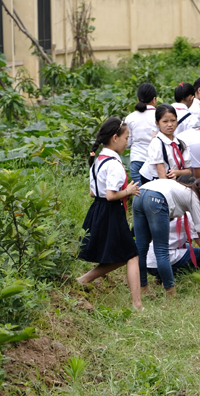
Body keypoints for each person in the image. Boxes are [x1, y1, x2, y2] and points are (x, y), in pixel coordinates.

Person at [76, 118, 143, 311]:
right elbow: (111, 195)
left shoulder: (98, 160)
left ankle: (84, 279)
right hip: (110, 211)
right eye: (126, 138)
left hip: (98, 210)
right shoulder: (113, 163)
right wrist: (128, 192)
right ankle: (137, 304)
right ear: (115, 138)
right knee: (131, 255)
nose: (127, 142)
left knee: (124, 255)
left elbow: (92, 192)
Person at [133, 176, 200, 296]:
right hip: (157, 199)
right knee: (161, 250)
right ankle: (171, 293)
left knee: (141, 248)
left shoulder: (181, 188)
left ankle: (144, 290)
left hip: (140, 193)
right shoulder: (194, 198)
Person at [146, 175, 200, 280]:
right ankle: (169, 276)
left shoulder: (170, 205)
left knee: (189, 247)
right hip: (160, 261)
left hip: (149, 260)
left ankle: (162, 275)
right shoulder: (189, 212)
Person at [138, 104, 192, 183]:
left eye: (173, 120)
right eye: (165, 121)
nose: (170, 124)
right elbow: (161, 174)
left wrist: (177, 173)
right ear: (157, 123)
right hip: (154, 179)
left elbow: (189, 171)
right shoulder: (156, 143)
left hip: (172, 177)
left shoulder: (181, 143)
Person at [125, 83, 159, 185]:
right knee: (154, 191)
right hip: (155, 160)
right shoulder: (161, 116)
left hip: (136, 159)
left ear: (138, 99)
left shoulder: (130, 118)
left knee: (138, 192)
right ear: (154, 99)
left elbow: (127, 143)